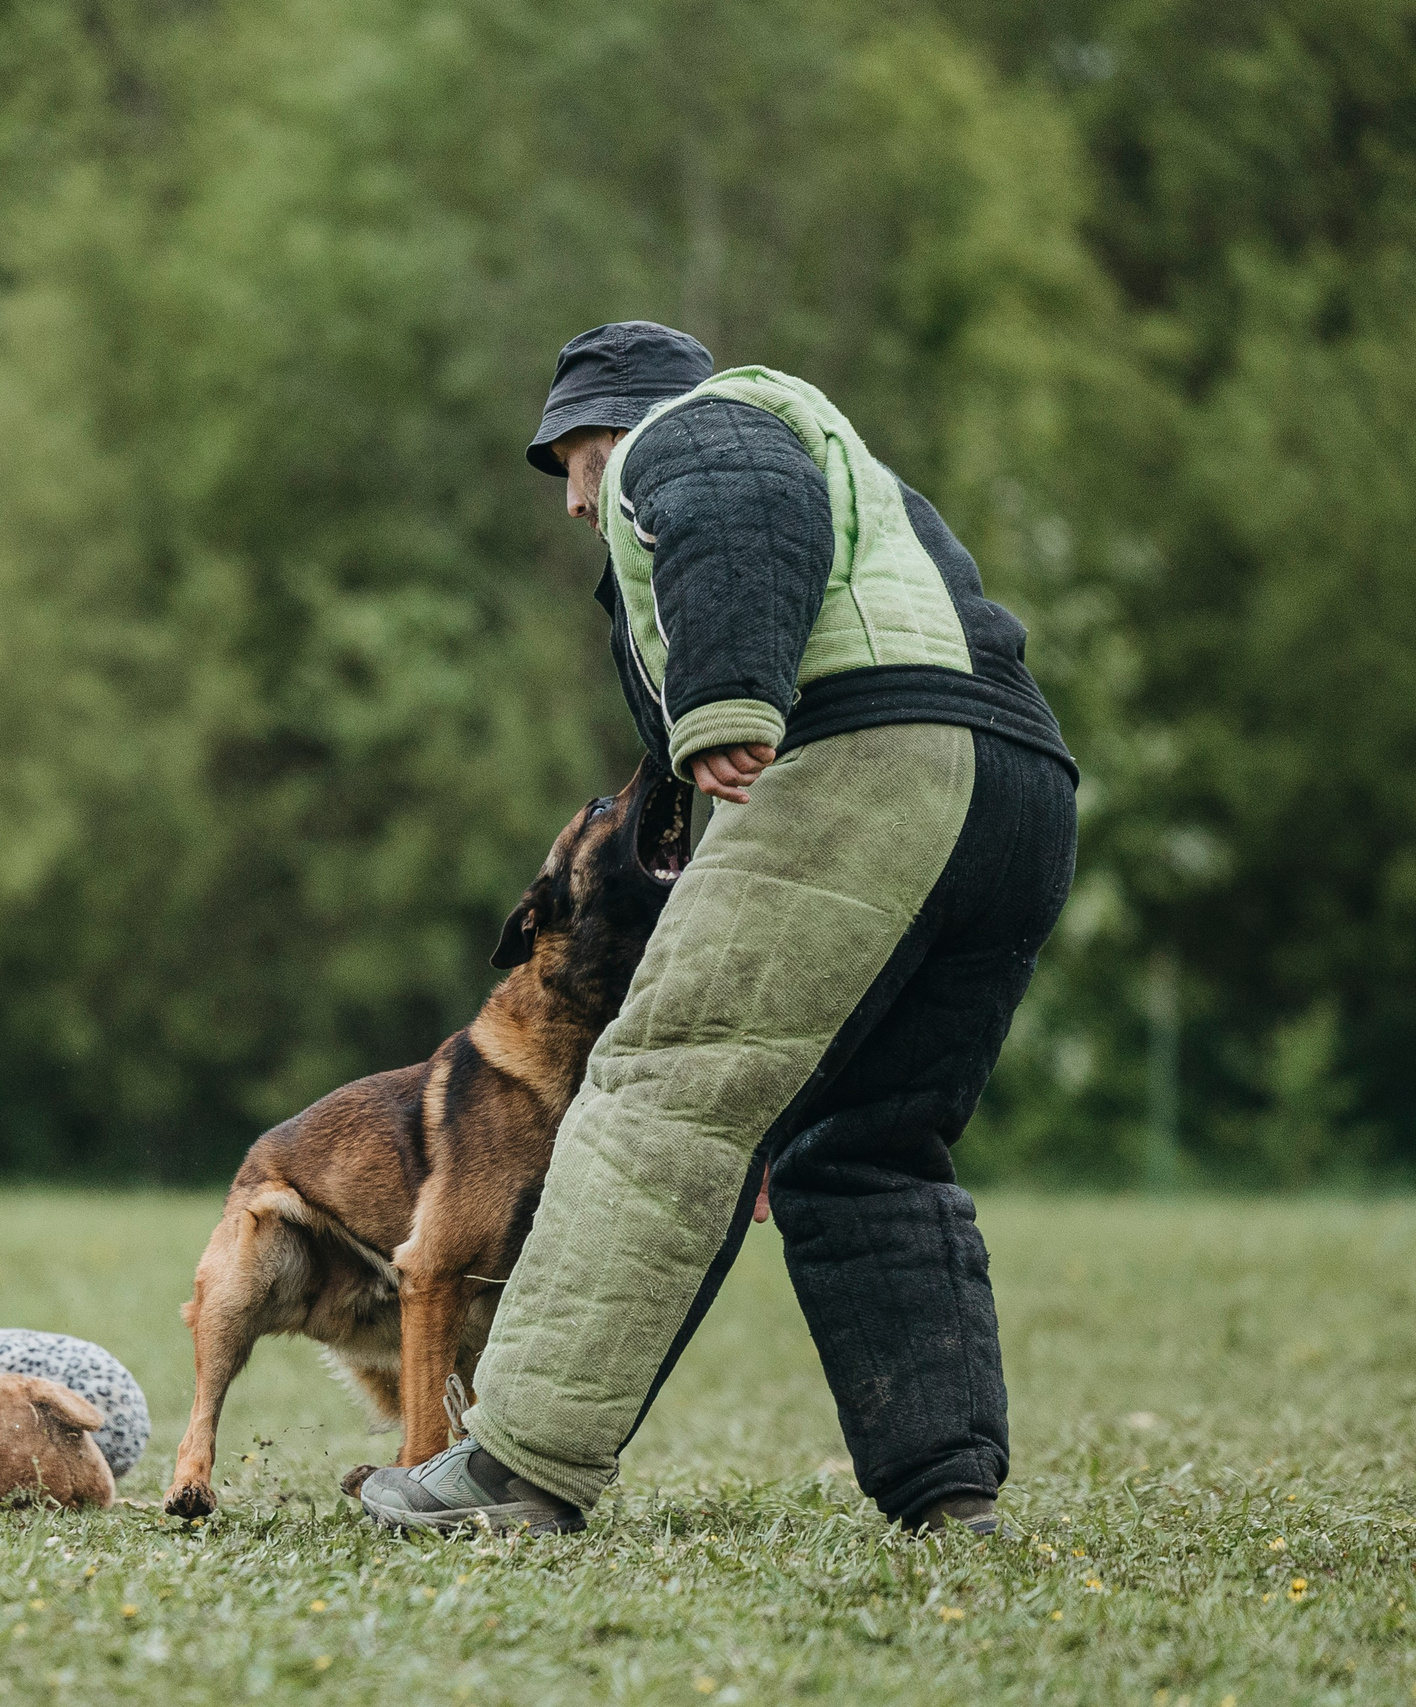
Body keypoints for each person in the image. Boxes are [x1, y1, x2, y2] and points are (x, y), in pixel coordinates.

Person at [358, 321, 1078, 1538]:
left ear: (602, 429)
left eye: (567, 465)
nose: (577, 502)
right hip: (1016, 789)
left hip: (863, 764)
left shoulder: (695, 429)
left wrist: (729, 697)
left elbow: (737, 506)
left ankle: (513, 1469)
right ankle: (946, 1489)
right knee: (867, 1145)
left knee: (654, 1099)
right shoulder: (837, 453)